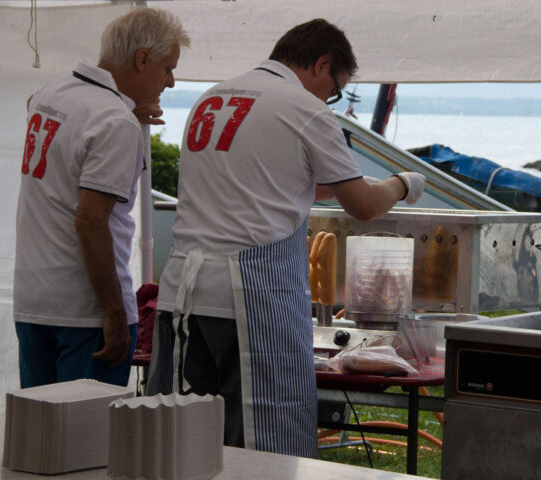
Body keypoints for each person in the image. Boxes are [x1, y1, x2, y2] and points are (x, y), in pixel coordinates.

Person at [147, 18, 426, 457]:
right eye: (334, 90)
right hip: (251, 298)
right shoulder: (304, 109)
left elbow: (273, 182)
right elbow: (364, 206)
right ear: (322, 63)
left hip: (183, 293)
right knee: (259, 440)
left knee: (186, 438)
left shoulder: (212, 97)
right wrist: (402, 183)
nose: (328, 99)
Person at [13, 7, 190, 389]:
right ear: (142, 59)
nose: (171, 82)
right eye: (167, 68)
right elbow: (91, 220)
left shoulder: (52, 92)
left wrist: (128, 110)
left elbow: (34, 104)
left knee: (42, 434)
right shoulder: (114, 122)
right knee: (86, 440)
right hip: (85, 309)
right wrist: (113, 311)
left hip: (33, 299)